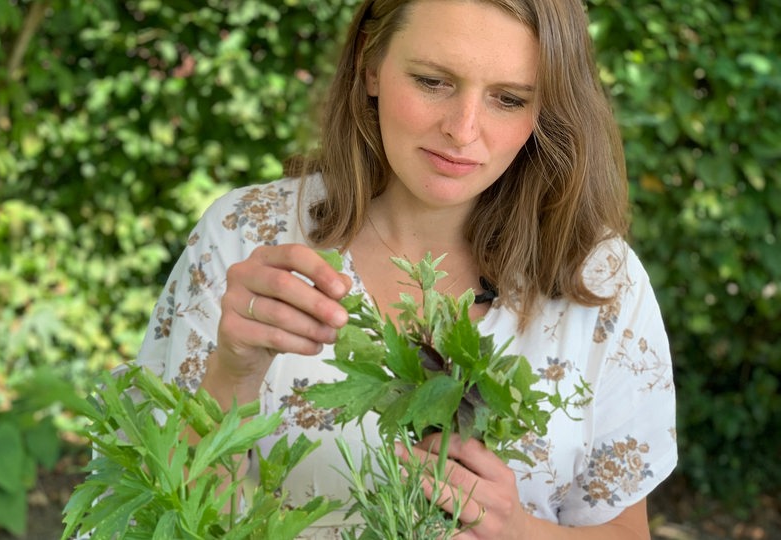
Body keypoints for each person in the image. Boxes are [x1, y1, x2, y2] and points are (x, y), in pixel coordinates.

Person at [134, 0, 677, 538]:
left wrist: (518, 532)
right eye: (432, 82)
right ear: (371, 66)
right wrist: (234, 373)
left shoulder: (599, 281)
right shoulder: (248, 236)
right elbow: (155, 514)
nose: (463, 130)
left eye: (509, 99)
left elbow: (625, 532)